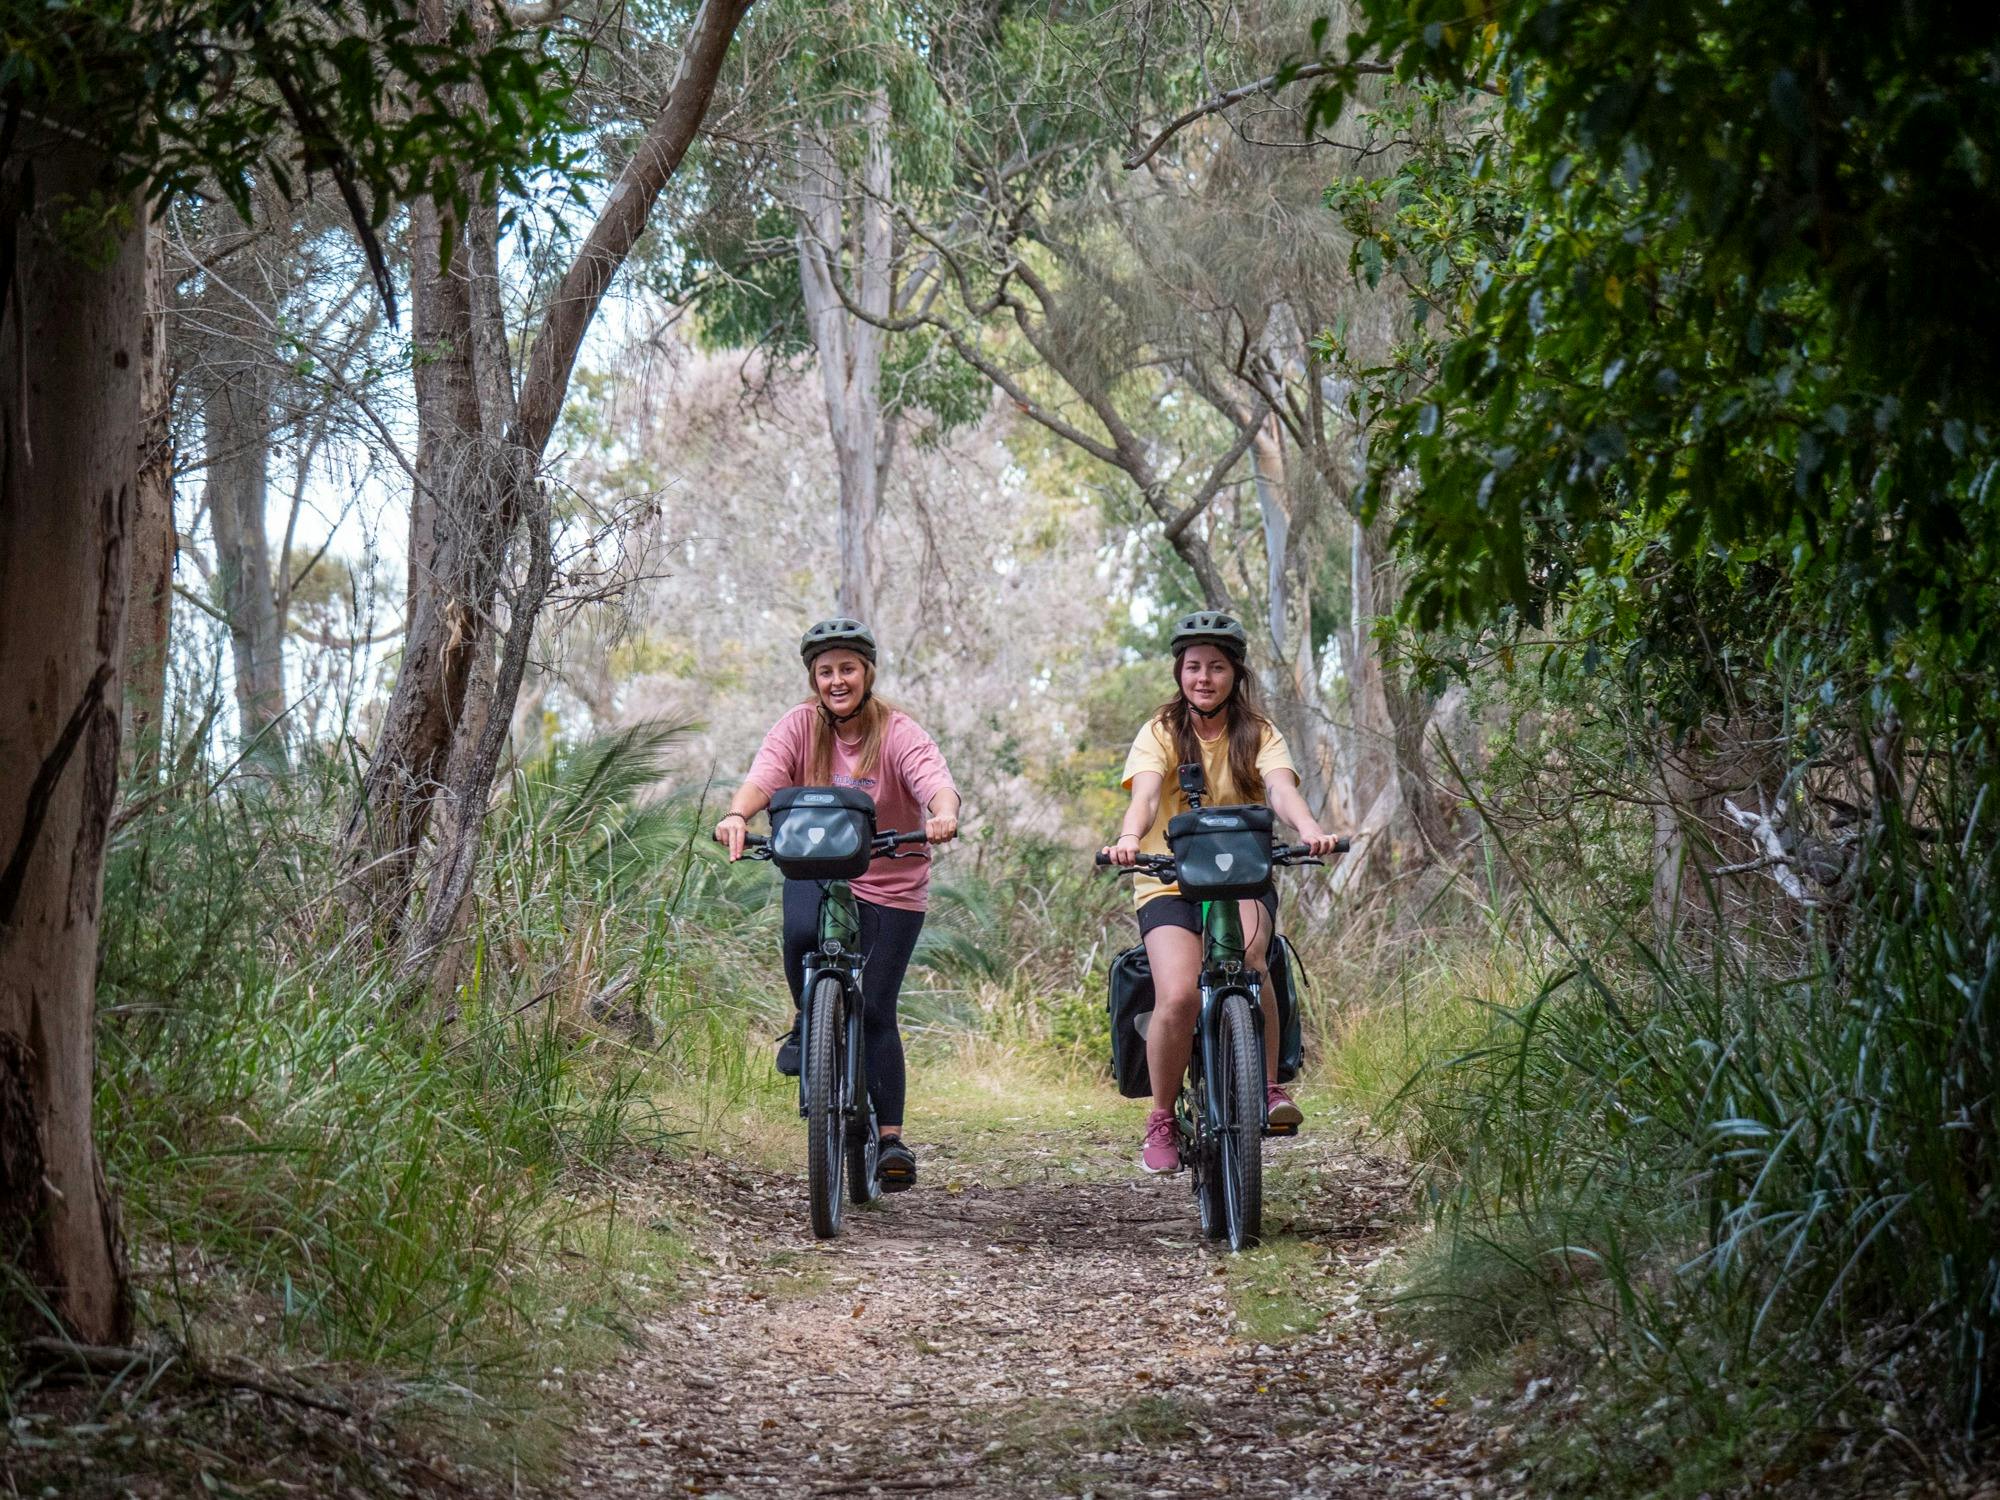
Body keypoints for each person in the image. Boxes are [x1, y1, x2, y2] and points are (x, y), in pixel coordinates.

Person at [715, 618, 960, 1191]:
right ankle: (809, 1018)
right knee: (801, 930)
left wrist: (942, 812)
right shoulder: (800, 725)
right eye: (825, 672)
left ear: (867, 673)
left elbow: (933, 780)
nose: (837, 680)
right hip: (819, 869)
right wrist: (737, 814)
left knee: (875, 1005)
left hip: (892, 884)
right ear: (814, 679)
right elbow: (765, 775)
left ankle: (892, 1141)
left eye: (847, 668)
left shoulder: (896, 731)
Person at [1101, 610, 1343, 1174]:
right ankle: (1162, 1116)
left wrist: (1309, 831)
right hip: (1166, 877)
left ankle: (1269, 1087)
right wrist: (1129, 837)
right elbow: (1143, 794)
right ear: (1179, 673)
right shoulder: (1160, 731)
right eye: (1192, 667)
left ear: (1236, 673)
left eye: (1215, 667)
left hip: (1241, 875)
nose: (1203, 678)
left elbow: (1281, 790)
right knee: (1180, 995)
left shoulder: (1258, 732)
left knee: (1255, 963)